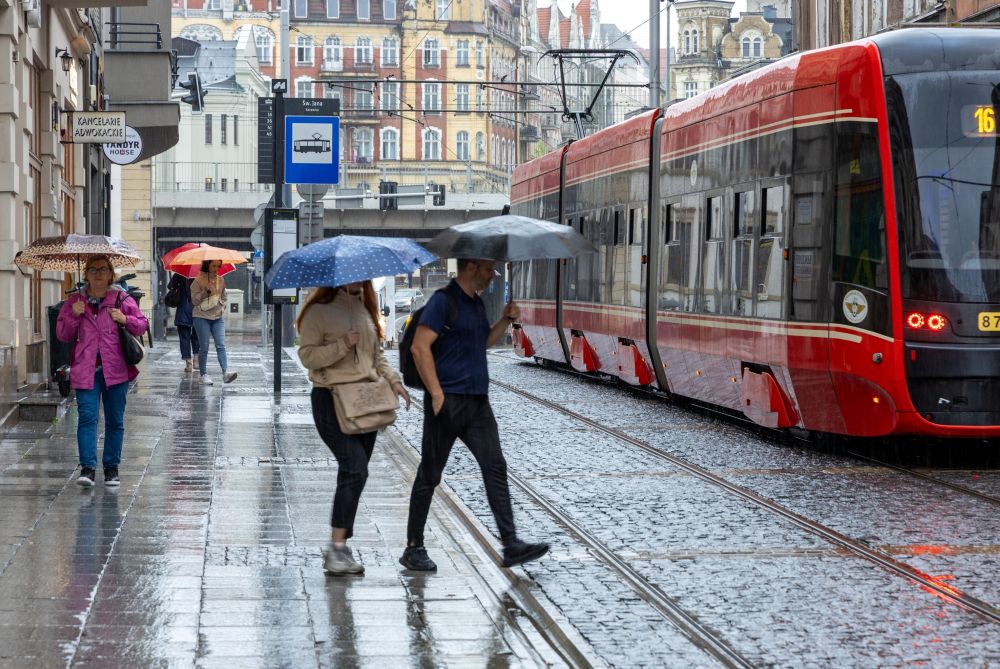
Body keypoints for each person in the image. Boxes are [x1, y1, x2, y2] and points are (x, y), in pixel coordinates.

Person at [400, 259, 549, 572]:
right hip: (447, 402)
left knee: (495, 466)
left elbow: (482, 343)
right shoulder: (443, 302)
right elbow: (419, 347)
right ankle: (414, 547)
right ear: (471, 267)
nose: (494, 274)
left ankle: (510, 544)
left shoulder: (475, 304)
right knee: (430, 473)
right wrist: (437, 394)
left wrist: (505, 321)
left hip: (477, 403)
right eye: (488, 269)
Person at [297, 281, 411, 575]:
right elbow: (307, 357)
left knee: (355, 474)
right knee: (355, 468)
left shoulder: (365, 310)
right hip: (331, 400)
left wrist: (395, 381)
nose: (359, 282)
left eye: (363, 278)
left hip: (365, 402)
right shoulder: (318, 312)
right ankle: (336, 549)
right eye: (353, 277)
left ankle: (340, 547)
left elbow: (377, 357)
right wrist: (342, 344)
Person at [56, 255, 149, 487]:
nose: (98, 273)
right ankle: (87, 468)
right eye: (93, 269)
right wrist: (73, 315)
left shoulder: (121, 298)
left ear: (110, 274)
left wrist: (124, 318)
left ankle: (111, 468)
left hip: (115, 369)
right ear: (86, 274)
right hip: (86, 369)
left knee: (115, 420)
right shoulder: (75, 301)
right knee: (87, 418)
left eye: (103, 269)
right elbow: (63, 335)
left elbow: (141, 324)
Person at [190, 259, 237, 385]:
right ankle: (203, 374)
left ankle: (226, 373)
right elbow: (194, 301)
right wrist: (204, 292)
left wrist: (222, 307)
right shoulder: (198, 280)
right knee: (204, 347)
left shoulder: (220, 280)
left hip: (217, 318)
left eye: (218, 266)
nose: (217, 268)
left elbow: (224, 297)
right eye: (214, 265)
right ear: (207, 264)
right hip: (201, 316)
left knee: (221, 345)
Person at [167, 272, 199, 373]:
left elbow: (170, 286)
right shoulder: (201, 274)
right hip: (197, 311)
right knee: (197, 336)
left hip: (183, 310)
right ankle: (196, 358)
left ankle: (188, 363)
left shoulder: (181, 272)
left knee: (184, 338)